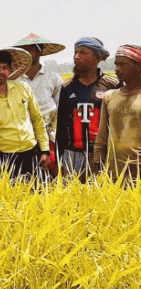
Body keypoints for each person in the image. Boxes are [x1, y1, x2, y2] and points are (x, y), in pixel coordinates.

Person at [0, 48, 49, 180]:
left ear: (9, 70)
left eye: (4, 67)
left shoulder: (23, 88)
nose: (1, 71)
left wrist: (44, 150)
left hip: (31, 153)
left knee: (38, 190)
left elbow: (37, 119)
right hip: (4, 159)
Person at [56, 37, 119, 179]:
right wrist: (59, 155)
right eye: (75, 52)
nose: (77, 56)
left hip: (101, 153)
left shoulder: (112, 85)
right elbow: (61, 125)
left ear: (97, 57)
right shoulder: (67, 87)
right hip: (72, 154)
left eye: (83, 52)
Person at [12, 33, 65, 174]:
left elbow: (62, 109)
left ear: (40, 51)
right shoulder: (13, 80)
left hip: (47, 136)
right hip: (21, 137)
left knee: (49, 175)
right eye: (23, 50)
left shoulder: (53, 78)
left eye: (30, 49)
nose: (26, 53)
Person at [93, 45, 141, 181]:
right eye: (116, 64)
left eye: (122, 64)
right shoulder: (110, 96)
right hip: (112, 171)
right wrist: (97, 160)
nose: (117, 69)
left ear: (138, 67)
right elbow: (102, 134)